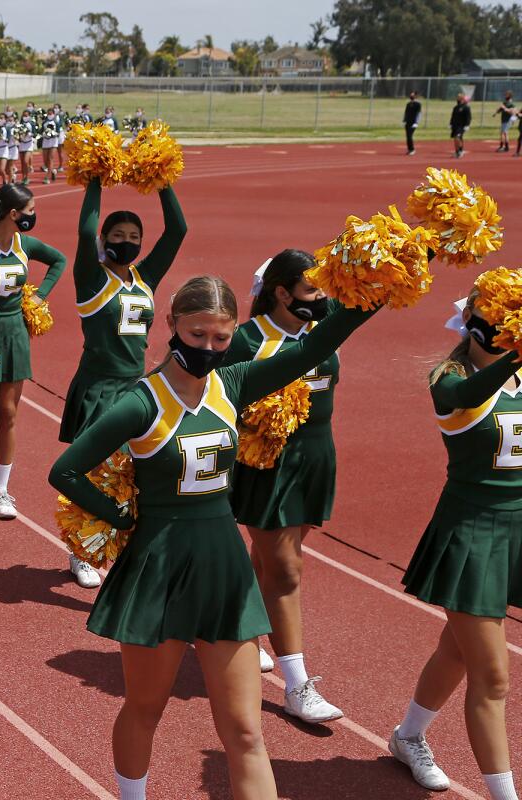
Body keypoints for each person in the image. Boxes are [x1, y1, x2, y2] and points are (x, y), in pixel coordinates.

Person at [49, 276, 377, 800]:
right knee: (145, 708)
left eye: (220, 339)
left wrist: (372, 294)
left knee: (246, 730)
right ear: (172, 325)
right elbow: (66, 471)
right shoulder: (141, 403)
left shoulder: (235, 383)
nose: (207, 348)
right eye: (197, 335)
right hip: (159, 566)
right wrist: (121, 516)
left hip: (224, 563)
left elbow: (316, 344)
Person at [390, 288, 522, 799]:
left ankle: (408, 736)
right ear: (469, 318)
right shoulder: (450, 378)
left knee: (459, 651)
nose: (506, 323)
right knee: (494, 675)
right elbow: (467, 400)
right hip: (472, 531)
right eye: (497, 315)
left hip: (517, 530)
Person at [224, 251, 345, 724]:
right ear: (282, 292)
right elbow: (216, 393)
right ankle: (298, 686)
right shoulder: (248, 340)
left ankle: (241, 625)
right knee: (287, 570)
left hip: (316, 456)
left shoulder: (326, 324)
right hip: (266, 463)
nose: (322, 299)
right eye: (313, 290)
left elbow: (372, 299)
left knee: (274, 560)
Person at [59, 177, 186, 587]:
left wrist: (163, 181)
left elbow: (178, 230)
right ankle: (80, 551)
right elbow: (83, 231)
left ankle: (128, 544)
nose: (127, 242)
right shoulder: (92, 278)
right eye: (118, 235)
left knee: (137, 472)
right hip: (98, 388)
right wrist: (94, 179)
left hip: (136, 387)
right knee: (91, 472)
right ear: (105, 239)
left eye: (135, 236)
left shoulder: (144, 277)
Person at [0, 183, 67, 520]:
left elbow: (58, 260)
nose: (33, 216)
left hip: (15, 333)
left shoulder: (23, 244)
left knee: (8, 414)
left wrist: (40, 295)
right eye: (29, 210)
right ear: (13, 213)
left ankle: (1, 490)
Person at [451, 93, 472, 159]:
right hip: (455, 125)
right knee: (455, 138)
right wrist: (451, 123)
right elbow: (453, 116)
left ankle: (460, 151)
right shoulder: (456, 107)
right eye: (457, 97)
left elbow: (468, 117)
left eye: (459, 97)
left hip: (461, 126)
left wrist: (467, 125)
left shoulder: (466, 107)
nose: (457, 99)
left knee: (457, 137)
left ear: (462, 99)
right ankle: (457, 151)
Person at [404, 91, 422, 156]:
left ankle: (412, 149)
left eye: (413, 95)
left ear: (415, 96)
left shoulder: (418, 104)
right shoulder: (408, 104)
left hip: (413, 123)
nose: (411, 96)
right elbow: (406, 113)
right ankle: (409, 149)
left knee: (409, 136)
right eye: (411, 94)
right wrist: (404, 120)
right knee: (407, 136)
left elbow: (419, 114)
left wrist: (416, 122)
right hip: (408, 122)